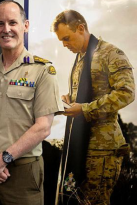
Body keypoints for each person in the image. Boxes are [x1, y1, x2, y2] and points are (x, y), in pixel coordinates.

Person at [0, 1, 64, 204]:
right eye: (0, 24)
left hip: (23, 173)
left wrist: (3, 160)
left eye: (12, 23)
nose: (6, 29)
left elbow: (43, 127)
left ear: (25, 26)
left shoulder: (42, 71)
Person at [52, 10, 135, 204]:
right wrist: (69, 99)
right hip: (80, 145)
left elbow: (126, 92)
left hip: (102, 150)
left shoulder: (111, 53)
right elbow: (88, 93)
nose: (64, 45)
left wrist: (85, 109)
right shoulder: (80, 57)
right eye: (61, 41)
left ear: (81, 28)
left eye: (67, 38)